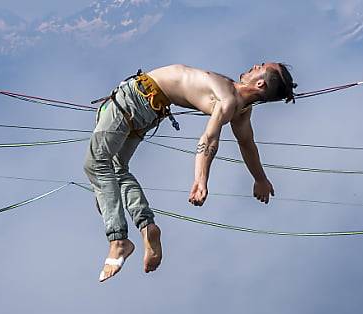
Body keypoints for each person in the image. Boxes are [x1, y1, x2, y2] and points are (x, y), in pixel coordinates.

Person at [84, 62, 297, 282]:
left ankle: (118, 240)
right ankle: (147, 226)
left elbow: (209, 138)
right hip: (151, 109)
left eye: (260, 67)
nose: (254, 65)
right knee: (117, 169)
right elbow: (247, 144)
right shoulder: (241, 110)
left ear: (260, 83)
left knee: (96, 163)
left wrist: (200, 180)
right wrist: (260, 179)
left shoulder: (228, 98)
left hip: (137, 97)